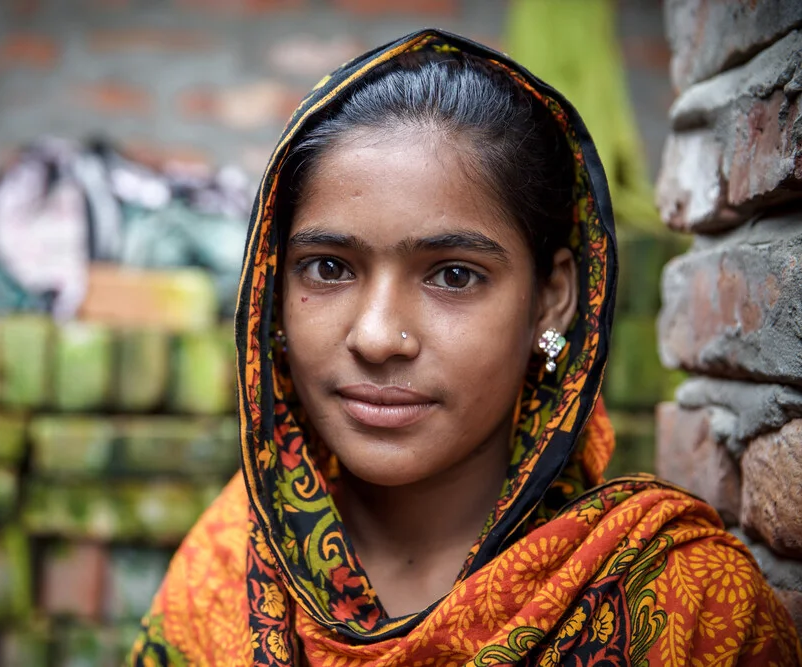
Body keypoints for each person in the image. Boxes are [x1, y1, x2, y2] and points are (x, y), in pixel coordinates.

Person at [127, 28, 802, 666]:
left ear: (552, 297)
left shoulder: (687, 602)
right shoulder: (225, 566)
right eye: (329, 267)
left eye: (454, 274)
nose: (377, 336)